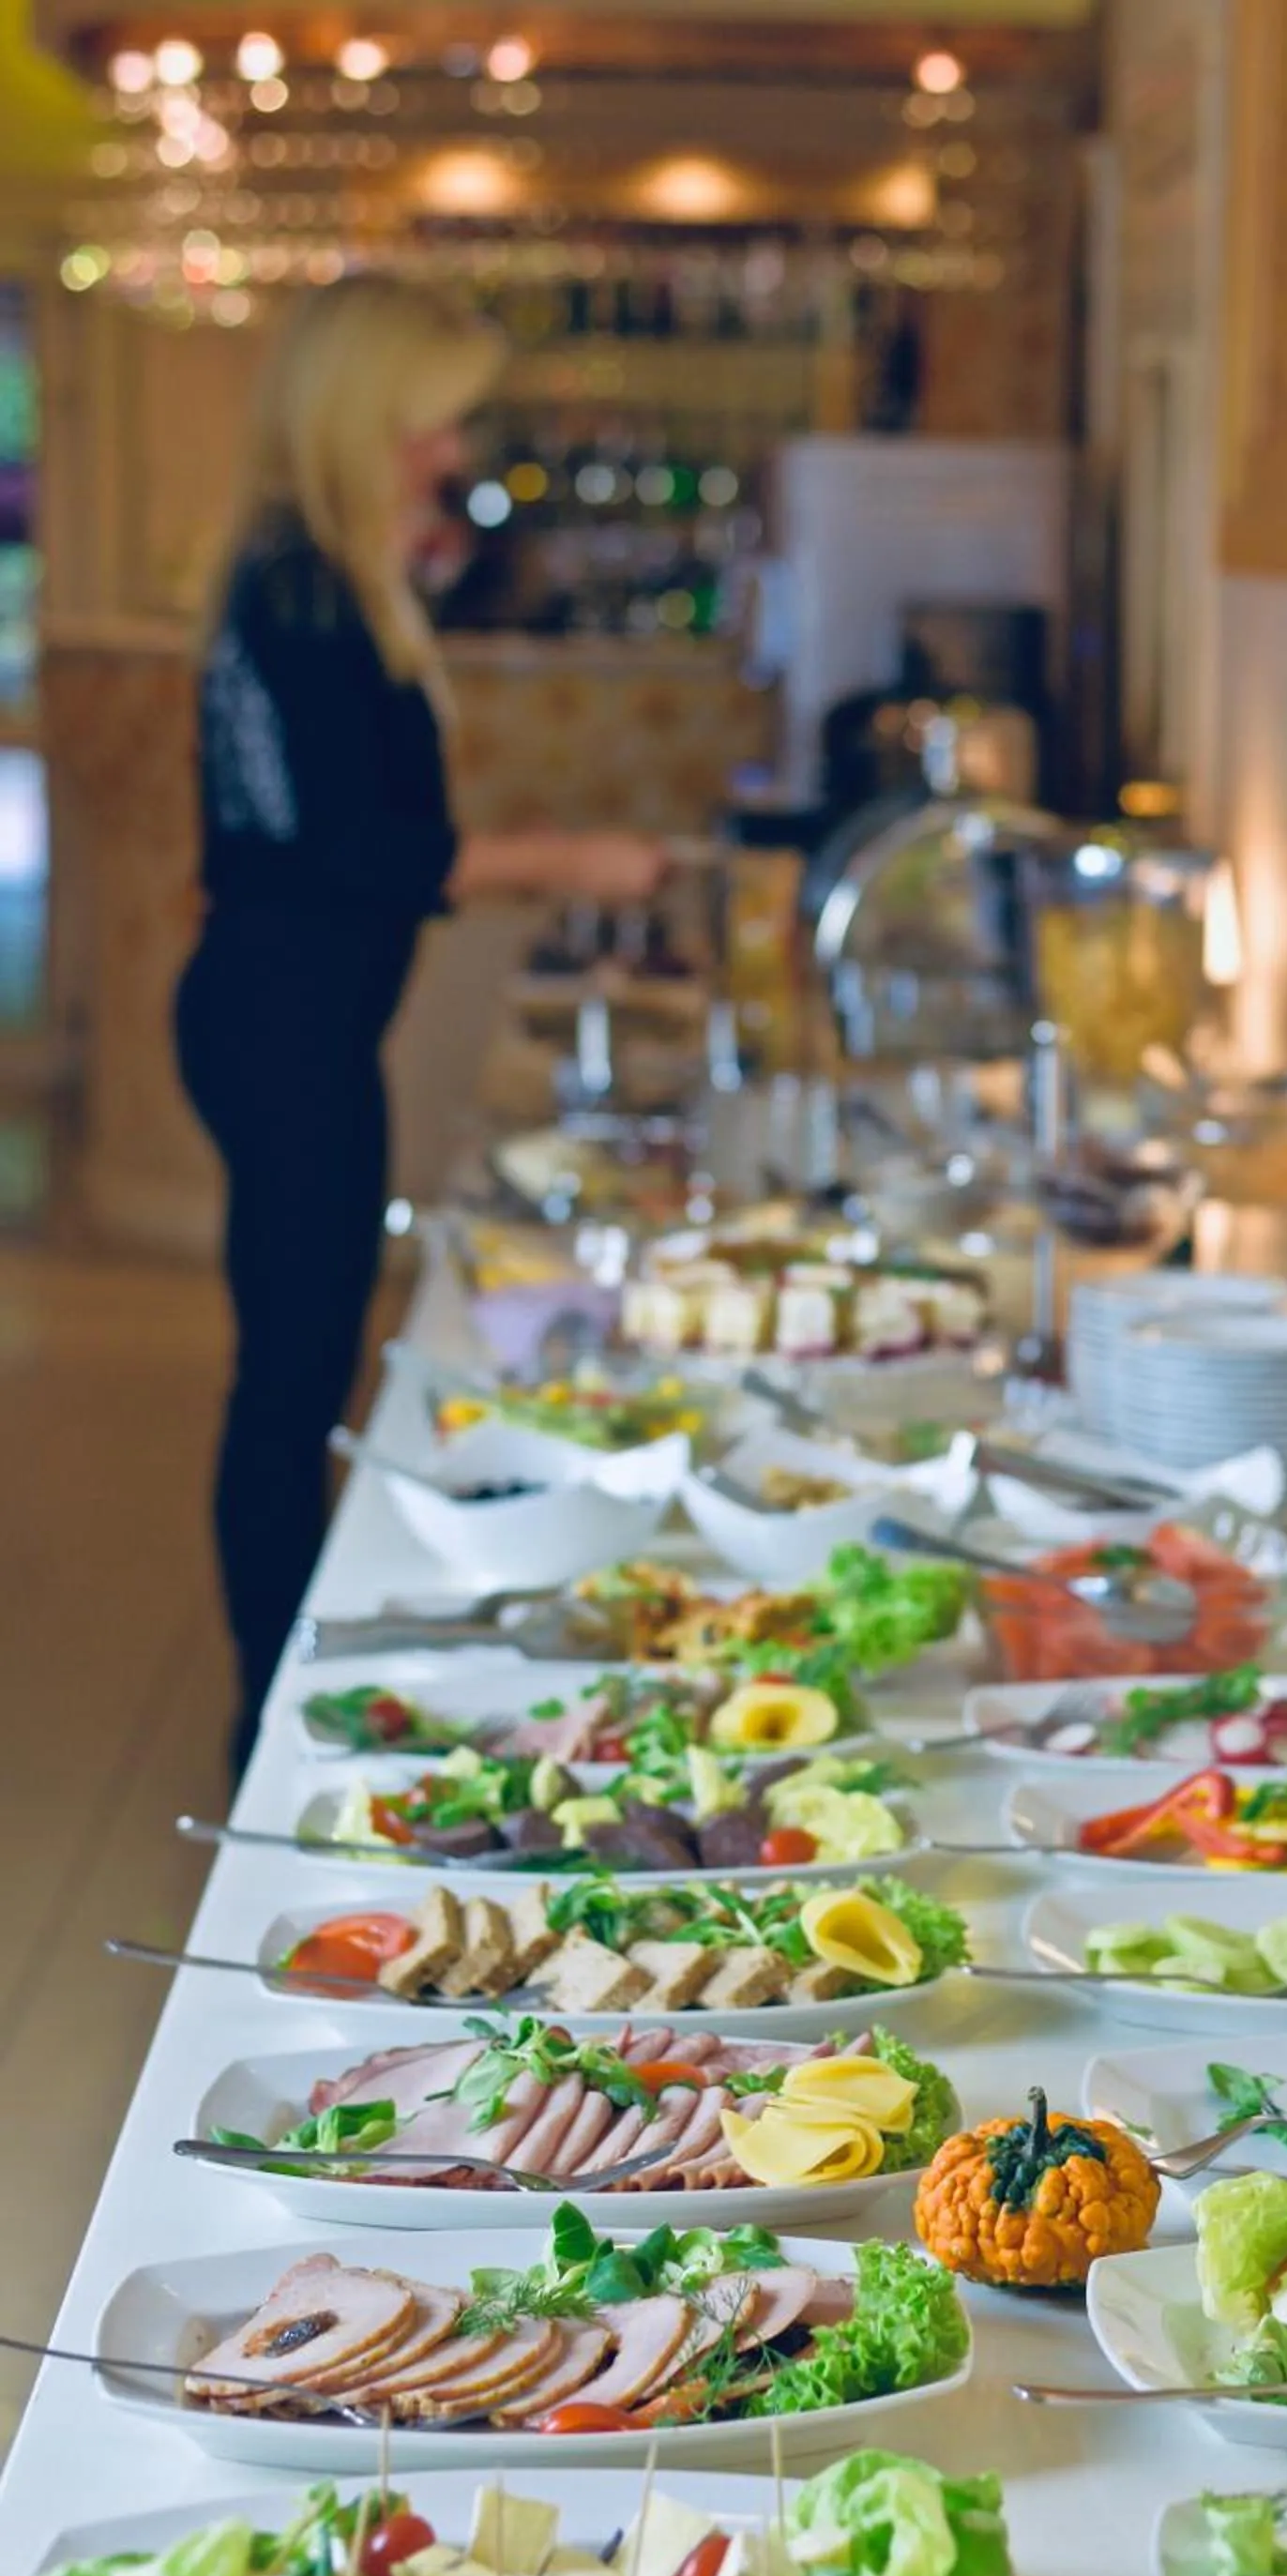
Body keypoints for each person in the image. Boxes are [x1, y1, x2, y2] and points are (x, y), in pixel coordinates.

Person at [176, 276, 666, 1768]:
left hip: (282, 1009)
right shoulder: (312, 588)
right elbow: (362, 855)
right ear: (370, 419)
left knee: (302, 1359)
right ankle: (269, 1714)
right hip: (283, 1018)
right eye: (436, 420)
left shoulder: (313, 568)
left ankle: (277, 1686)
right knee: (293, 1378)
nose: (454, 449)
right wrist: (566, 861)